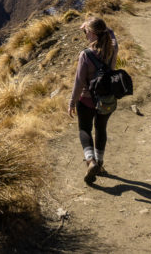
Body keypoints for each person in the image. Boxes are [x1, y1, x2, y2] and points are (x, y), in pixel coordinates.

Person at [67, 16, 118, 183]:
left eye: (87, 32)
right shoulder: (112, 49)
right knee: (101, 129)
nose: (85, 34)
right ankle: (100, 164)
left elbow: (79, 81)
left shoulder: (85, 55)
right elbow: (111, 35)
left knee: (84, 130)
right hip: (106, 99)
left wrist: (72, 102)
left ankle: (91, 161)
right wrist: (99, 27)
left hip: (87, 99)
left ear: (94, 34)